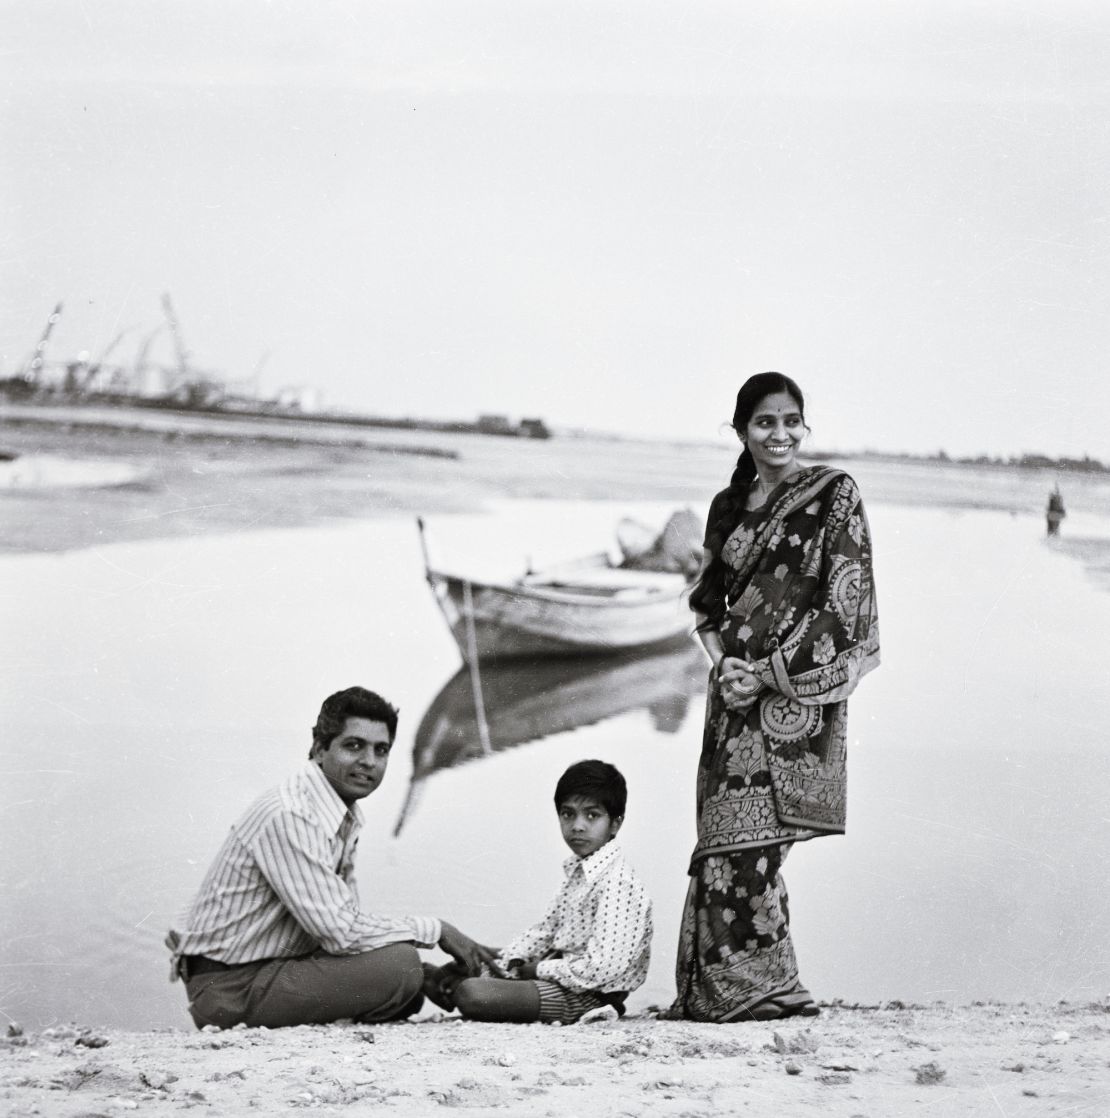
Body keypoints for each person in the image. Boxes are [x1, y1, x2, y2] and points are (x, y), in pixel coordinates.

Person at [669, 372, 880, 1023]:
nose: (780, 433)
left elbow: (847, 605)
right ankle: (749, 989)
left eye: (792, 421)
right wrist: (728, 667)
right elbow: (706, 609)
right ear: (742, 431)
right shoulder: (726, 508)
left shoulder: (832, 496)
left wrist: (765, 674)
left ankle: (762, 986)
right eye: (766, 422)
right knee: (724, 843)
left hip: (794, 695)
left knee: (757, 846)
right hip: (731, 701)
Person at [165, 686, 496, 1029]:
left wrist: (425, 973)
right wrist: (438, 930)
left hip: (265, 970)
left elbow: (341, 922)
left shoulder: (337, 813)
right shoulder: (292, 814)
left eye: (380, 750)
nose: (368, 762)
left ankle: (381, 998)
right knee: (401, 968)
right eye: (354, 746)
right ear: (319, 748)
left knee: (406, 975)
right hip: (229, 988)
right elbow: (340, 931)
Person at [423, 760, 653, 1025]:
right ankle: (445, 980)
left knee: (472, 994)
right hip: (561, 970)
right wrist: (515, 957)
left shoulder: (619, 884)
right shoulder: (579, 872)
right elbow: (546, 930)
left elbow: (602, 969)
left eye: (592, 815)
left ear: (615, 824)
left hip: (589, 995)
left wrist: (537, 969)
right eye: (568, 814)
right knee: (477, 959)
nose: (577, 826)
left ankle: (452, 988)